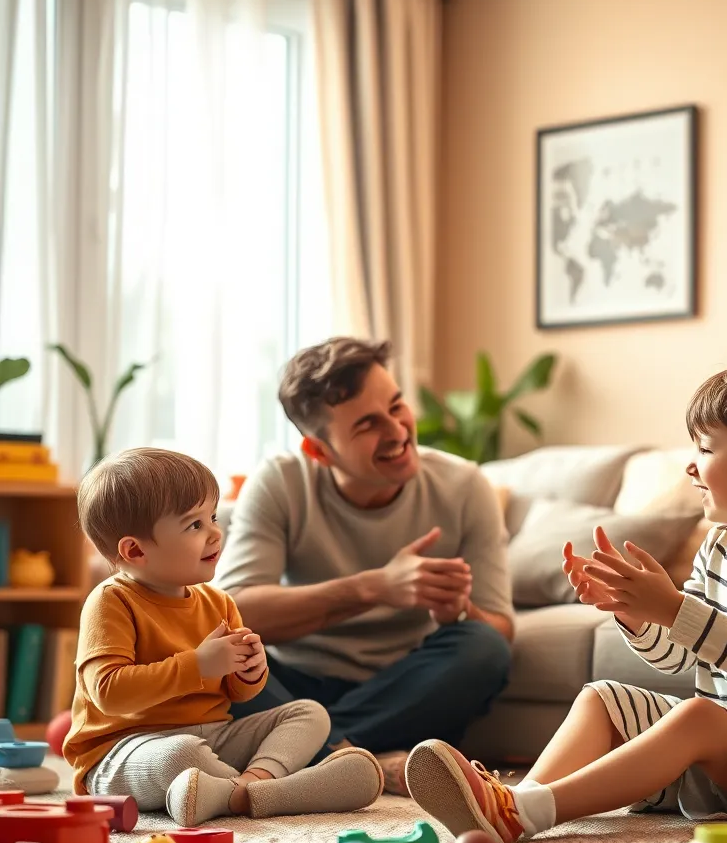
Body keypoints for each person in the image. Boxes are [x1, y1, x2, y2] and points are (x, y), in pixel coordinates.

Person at [402, 358, 727, 843]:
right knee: (602, 697)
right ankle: (510, 804)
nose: (690, 464)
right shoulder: (721, 544)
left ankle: (533, 811)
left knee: (698, 715)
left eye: (706, 448)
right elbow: (680, 656)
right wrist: (635, 613)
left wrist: (672, 608)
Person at [217, 337, 514, 795]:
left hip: (402, 691)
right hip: (293, 687)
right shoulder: (280, 482)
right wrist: (374, 588)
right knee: (220, 658)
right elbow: (235, 613)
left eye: (397, 407)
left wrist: (458, 611)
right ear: (320, 451)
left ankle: (313, 755)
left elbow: (499, 628)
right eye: (368, 425)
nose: (397, 432)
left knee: (483, 648)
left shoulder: (464, 486)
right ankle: (355, 759)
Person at [63, 448, 384, 828]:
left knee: (309, 713)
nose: (216, 532)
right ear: (135, 550)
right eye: (194, 525)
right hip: (125, 751)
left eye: (212, 517)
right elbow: (109, 692)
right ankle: (277, 794)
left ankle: (246, 788)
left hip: (212, 737)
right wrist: (197, 665)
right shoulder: (111, 601)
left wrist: (249, 673)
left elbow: (237, 695)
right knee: (179, 756)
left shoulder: (219, 602)